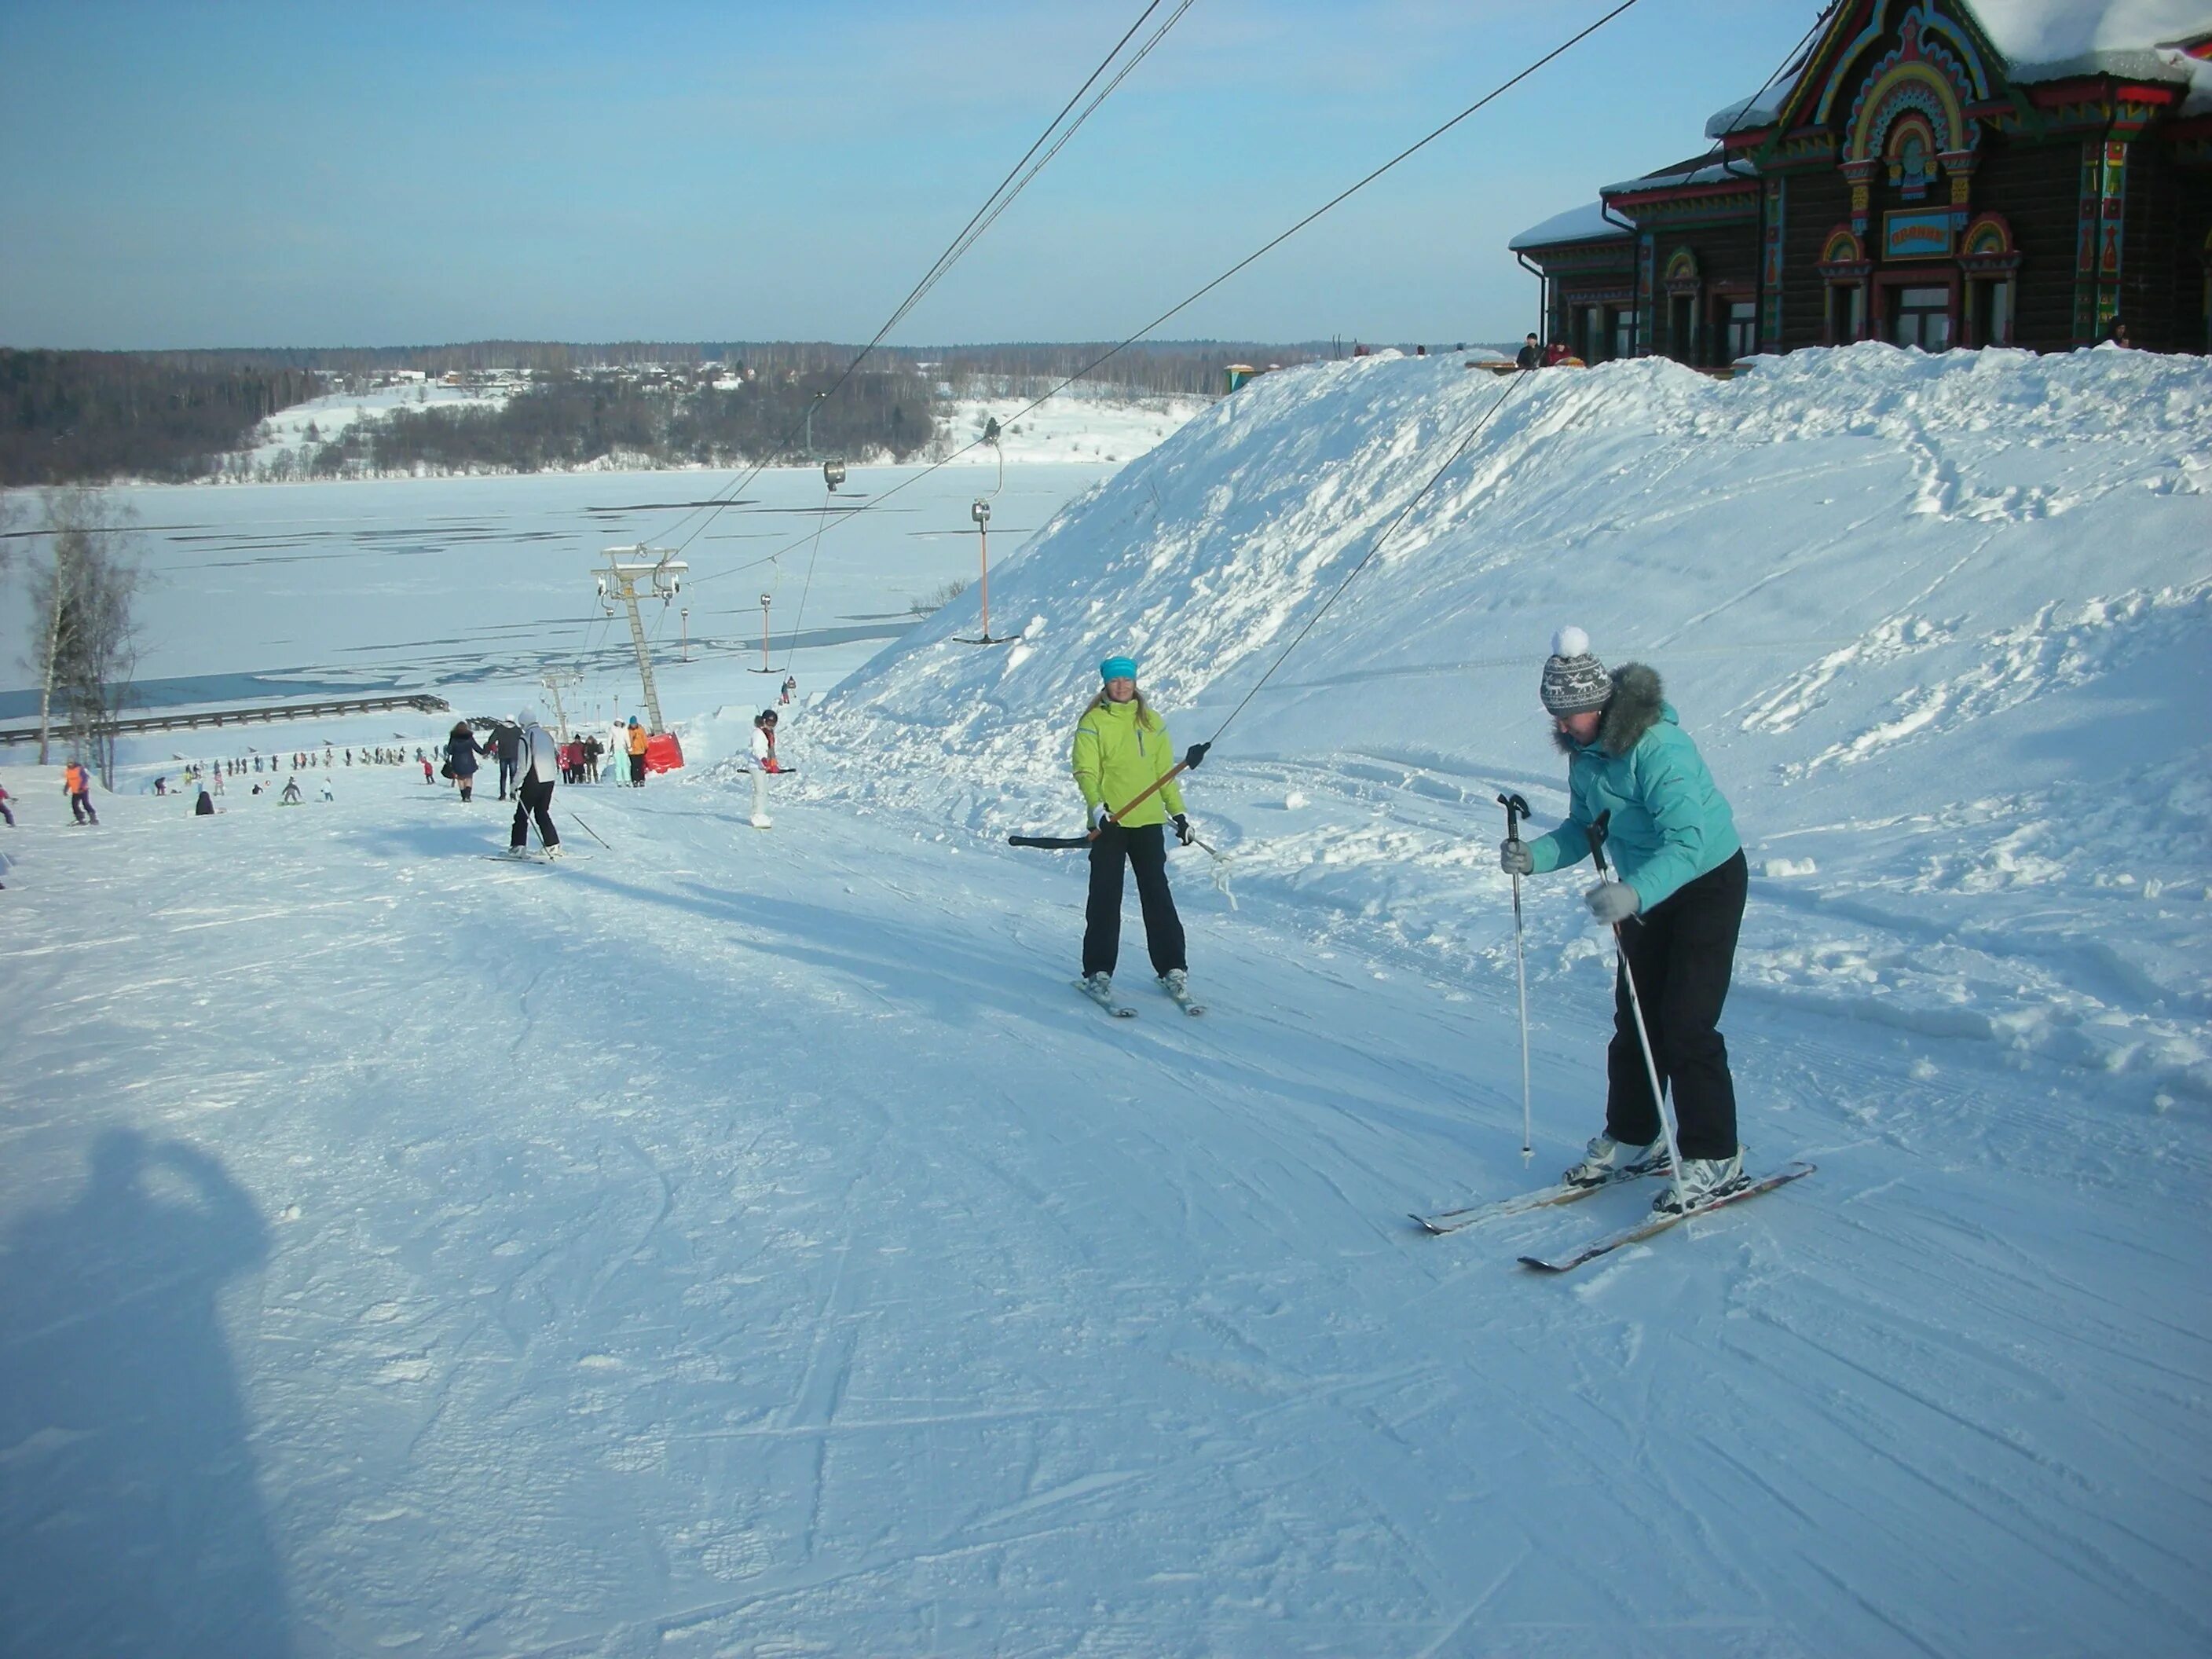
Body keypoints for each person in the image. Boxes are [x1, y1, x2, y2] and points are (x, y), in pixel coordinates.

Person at [1500, 625, 1749, 1215]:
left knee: (1686, 1021)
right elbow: (1585, 828)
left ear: (1598, 705)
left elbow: (1688, 843)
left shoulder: (1659, 749)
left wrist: (1634, 894)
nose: (1560, 728)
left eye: (1569, 717)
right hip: (1641, 889)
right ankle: (1639, 1135)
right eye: (1554, 716)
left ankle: (1716, 1153)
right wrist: (1535, 857)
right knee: (1636, 1018)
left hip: (1705, 881)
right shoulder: (1586, 758)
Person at [1071, 654, 1193, 1004]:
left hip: (1149, 822)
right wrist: (1098, 808)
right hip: (1111, 822)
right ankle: (1097, 972)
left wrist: (1179, 814)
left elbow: (1164, 776)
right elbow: (1086, 771)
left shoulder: (1152, 722)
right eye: (1114, 680)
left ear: (1135, 681)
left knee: (1158, 895)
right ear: (1106, 684)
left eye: (1127, 679)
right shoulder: (1093, 722)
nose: (1122, 686)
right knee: (1105, 898)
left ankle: (1172, 968)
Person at [507, 709, 563, 858]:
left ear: (523, 723)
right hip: (549, 779)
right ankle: (552, 844)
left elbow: (524, 765)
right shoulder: (547, 735)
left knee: (522, 814)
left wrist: (514, 785)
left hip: (534, 778)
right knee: (542, 812)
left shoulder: (526, 738)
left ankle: (518, 846)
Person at [444, 720, 489, 804]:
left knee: (460, 779)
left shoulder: (453, 738)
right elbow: (476, 747)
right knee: (469, 778)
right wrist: (484, 751)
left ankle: (463, 796)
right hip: (469, 761)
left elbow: (449, 750)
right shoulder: (469, 737)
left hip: (457, 761)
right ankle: (468, 796)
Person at [489, 717, 523, 800]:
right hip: (514, 755)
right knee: (513, 775)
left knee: (503, 775)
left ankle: (502, 795)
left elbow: (491, 740)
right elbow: (523, 741)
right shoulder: (517, 730)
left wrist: (495, 748)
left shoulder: (499, 729)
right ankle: (513, 794)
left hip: (503, 754)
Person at [63, 760, 98, 824]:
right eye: (69, 763)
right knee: (74, 805)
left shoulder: (79, 769)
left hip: (83, 790)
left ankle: (93, 818)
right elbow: (69, 781)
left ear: (74, 763)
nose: (70, 765)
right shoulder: (68, 771)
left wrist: (82, 787)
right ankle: (80, 819)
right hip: (75, 791)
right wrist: (66, 789)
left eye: (71, 763)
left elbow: (85, 778)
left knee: (85, 804)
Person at [625, 716, 649, 786]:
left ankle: (641, 779)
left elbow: (644, 738)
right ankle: (635, 780)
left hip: (640, 751)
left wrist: (646, 747)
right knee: (634, 766)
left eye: (634, 723)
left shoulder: (641, 730)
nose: (633, 725)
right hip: (632, 751)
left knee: (640, 766)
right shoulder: (628, 731)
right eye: (632, 724)